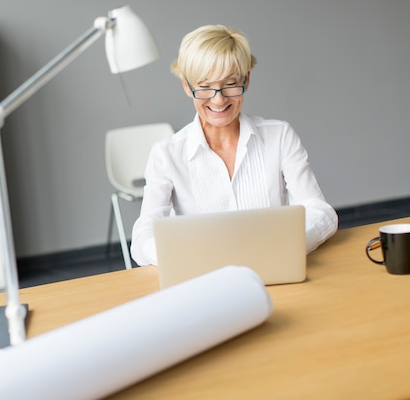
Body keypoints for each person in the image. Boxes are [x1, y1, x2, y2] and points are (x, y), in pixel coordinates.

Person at [130, 24, 338, 266]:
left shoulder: (279, 136)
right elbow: (143, 235)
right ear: (187, 86)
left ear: (246, 79)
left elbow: (320, 211)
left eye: (230, 83)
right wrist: (182, 258)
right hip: (205, 281)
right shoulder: (166, 155)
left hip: (276, 269)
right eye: (205, 86)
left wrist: (285, 246)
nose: (218, 99)